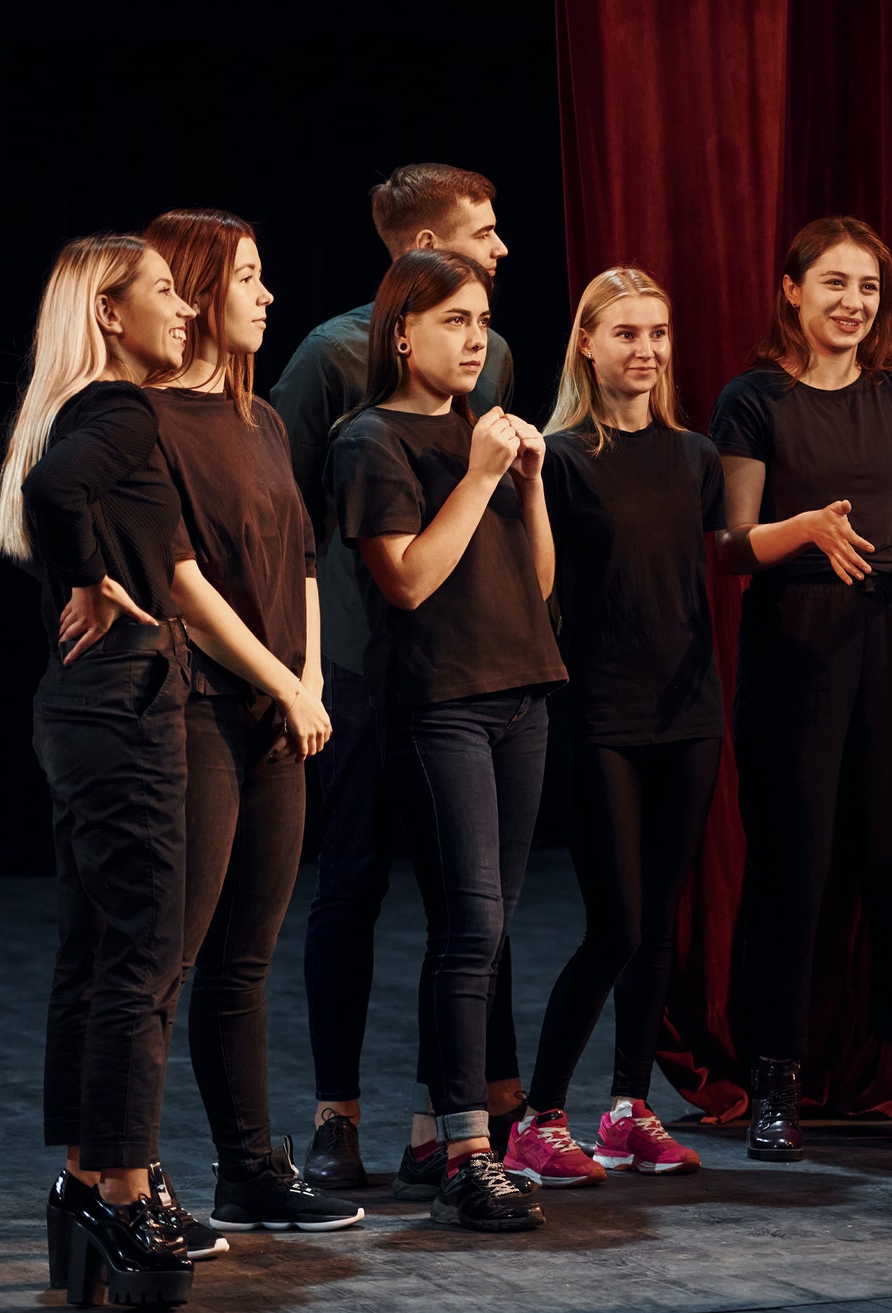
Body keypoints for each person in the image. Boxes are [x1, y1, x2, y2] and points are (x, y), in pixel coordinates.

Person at [269, 163, 528, 1196]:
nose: (501, 248)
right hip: (367, 665)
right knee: (354, 885)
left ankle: (451, 1114)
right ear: (419, 241)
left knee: (475, 901)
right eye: (482, 230)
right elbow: (285, 516)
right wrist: (305, 668)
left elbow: (483, 497)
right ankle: (337, 1113)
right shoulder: (333, 356)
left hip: (464, 665)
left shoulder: (492, 351)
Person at [710, 216, 892, 1161]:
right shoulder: (754, 399)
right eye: (833, 283)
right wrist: (804, 530)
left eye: (867, 287)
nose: (852, 303)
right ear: (791, 289)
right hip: (795, 650)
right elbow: (731, 542)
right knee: (794, 866)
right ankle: (775, 1082)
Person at [0, 233, 200, 1307]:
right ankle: (123, 1185)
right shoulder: (117, 411)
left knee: (98, 947)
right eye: (163, 293)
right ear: (110, 313)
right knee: (144, 951)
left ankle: (80, 1178)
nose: (184, 310)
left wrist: (84, 568)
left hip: (82, 709)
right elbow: (55, 497)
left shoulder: (61, 408)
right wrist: (97, 580)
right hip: (121, 704)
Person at [327, 248, 563, 1233]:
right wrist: (477, 477)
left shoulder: (485, 434)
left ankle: (434, 1135)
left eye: (481, 320)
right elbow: (409, 579)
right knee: (466, 926)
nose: (475, 338)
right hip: (442, 707)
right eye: (453, 320)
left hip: (523, 694)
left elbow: (538, 583)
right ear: (400, 332)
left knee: (494, 926)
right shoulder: (369, 439)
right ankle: (469, 1151)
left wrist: (531, 485)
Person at [141, 208, 363, 1239]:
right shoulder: (147, 423)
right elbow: (184, 584)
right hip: (198, 710)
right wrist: (280, 678)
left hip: (284, 711)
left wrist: (308, 673)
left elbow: (305, 560)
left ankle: (248, 1169)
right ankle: (125, 1177)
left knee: (247, 958)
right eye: (248, 276)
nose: (267, 294)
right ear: (193, 290)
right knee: (167, 958)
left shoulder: (265, 420)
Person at [504, 268, 723, 1187]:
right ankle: (536, 1118)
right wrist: (525, 491)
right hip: (600, 712)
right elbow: (543, 591)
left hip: (691, 712)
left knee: (661, 922)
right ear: (587, 344)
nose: (646, 350)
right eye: (626, 333)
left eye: (659, 333)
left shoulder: (696, 456)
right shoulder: (558, 456)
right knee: (618, 923)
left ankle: (628, 1109)